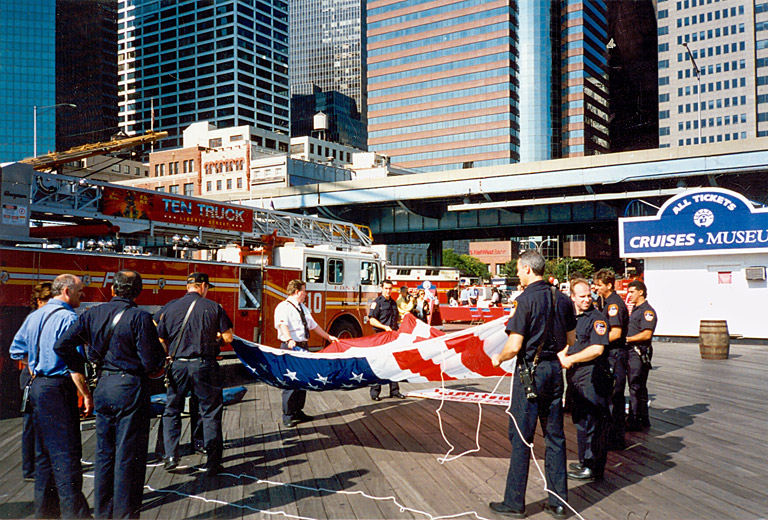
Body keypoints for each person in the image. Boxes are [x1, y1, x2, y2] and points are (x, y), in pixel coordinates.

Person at [55, 270, 166, 518]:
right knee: (129, 456)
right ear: (137, 293)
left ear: (113, 290)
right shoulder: (140, 317)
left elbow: (61, 345)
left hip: (103, 385)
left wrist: (82, 366)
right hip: (130, 388)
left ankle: (103, 514)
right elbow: (151, 363)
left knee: (104, 455)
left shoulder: (92, 314)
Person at [489, 251, 575, 520]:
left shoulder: (524, 300)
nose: (518, 272)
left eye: (518, 268)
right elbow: (569, 339)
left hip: (530, 373)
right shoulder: (563, 299)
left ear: (526, 269)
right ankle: (559, 503)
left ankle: (514, 503)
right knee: (555, 437)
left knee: (521, 438)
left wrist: (497, 357)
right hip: (553, 371)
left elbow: (514, 346)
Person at [9, 274, 91, 519]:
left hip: (37, 386)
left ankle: (45, 512)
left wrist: (36, 365)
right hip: (58, 387)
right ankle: (74, 515)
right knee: (66, 454)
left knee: (44, 453)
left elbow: (16, 350)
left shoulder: (34, 316)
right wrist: (85, 394)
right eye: (79, 291)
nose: (82, 295)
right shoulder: (69, 319)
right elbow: (75, 364)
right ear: (66, 291)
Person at [157, 272, 233, 475]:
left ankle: (171, 456)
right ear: (203, 286)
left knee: (172, 410)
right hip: (204, 364)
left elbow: (160, 338)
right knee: (210, 413)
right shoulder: (214, 307)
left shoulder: (170, 307)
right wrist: (211, 343)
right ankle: (213, 462)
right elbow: (228, 337)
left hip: (177, 365)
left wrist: (170, 353)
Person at [558, 279, 611, 483]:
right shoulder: (572, 318)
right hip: (576, 376)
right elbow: (569, 342)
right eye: (582, 296)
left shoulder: (597, 319)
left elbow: (597, 349)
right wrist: (563, 354)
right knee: (580, 420)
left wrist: (570, 359)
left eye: (589, 295)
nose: (587, 299)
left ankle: (593, 466)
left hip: (592, 376)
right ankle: (584, 461)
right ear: (572, 297)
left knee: (593, 423)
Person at [274, 279, 338, 427]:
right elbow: (282, 325)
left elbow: (313, 325)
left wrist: (328, 337)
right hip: (291, 346)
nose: (306, 294)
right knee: (290, 380)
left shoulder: (303, 307)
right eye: (304, 291)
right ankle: (288, 414)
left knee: (303, 379)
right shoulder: (283, 307)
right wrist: (289, 339)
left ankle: (298, 411)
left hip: (303, 347)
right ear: (297, 292)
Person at [17, 282, 53, 482]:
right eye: (48, 300)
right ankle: (29, 469)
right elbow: (19, 351)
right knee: (30, 424)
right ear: (39, 301)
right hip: (32, 377)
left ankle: (38, 465)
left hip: (39, 376)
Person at [592, 268, 629, 450]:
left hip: (615, 355)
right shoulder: (607, 303)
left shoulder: (613, 305)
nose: (596, 289)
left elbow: (616, 332)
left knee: (615, 397)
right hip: (612, 355)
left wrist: (597, 341)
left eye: (599, 285)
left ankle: (616, 438)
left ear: (608, 285)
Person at [625, 280, 657, 431]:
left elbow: (647, 333)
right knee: (637, 386)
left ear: (641, 292)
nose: (629, 295)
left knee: (636, 386)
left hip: (638, 351)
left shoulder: (647, 311)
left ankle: (635, 419)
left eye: (631, 292)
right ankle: (642, 418)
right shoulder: (637, 310)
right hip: (632, 352)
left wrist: (628, 339)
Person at [368, 279, 406, 401]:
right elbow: (371, 320)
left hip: (392, 337)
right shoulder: (377, 303)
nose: (388, 291)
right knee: (379, 364)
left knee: (393, 363)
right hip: (380, 336)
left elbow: (396, 320)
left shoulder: (393, 303)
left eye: (390, 288)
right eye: (386, 288)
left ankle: (394, 391)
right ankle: (375, 392)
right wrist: (384, 327)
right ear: (382, 288)